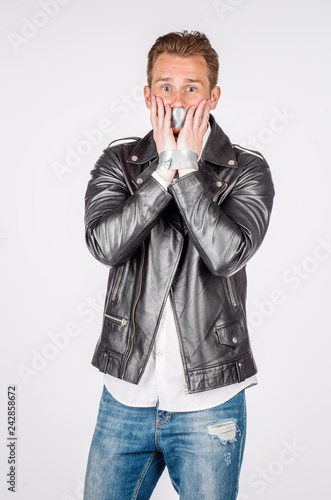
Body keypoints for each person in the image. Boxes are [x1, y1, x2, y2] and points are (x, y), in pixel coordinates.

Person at [83, 30, 274, 500]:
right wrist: (162, 169)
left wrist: (188, 169)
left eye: (192, 87)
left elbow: (227, 254)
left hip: (210, 400)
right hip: (125, 397)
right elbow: (106, 245)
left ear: (213, 96)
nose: (178, 100)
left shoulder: (247, 170)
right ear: (148, 94)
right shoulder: (120, 162)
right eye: (166, 87)